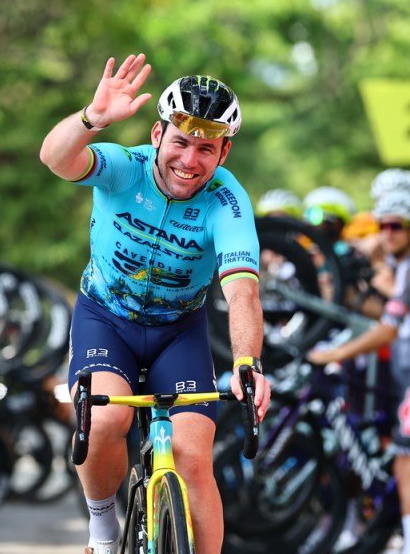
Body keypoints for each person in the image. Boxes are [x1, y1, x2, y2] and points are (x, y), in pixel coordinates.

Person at [39, 53, 271, 554]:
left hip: (177, 330)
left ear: (224, 154)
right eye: (181, 142)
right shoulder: (125, 169)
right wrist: (90, 120)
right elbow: (57, 160)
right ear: (156, 135)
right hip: (107, 319)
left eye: (206, 149)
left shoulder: (228, 203)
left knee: (191, 457)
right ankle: (102, 528)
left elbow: (242, 291)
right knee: (106, 421)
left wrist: (249, 362)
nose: (190, 161)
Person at [309, 190, 410, 554]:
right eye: (383, 226)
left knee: (409, 463)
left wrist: (337, 352)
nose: (388, 233)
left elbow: (388, 328)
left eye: (397, 226)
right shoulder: (409, 267)